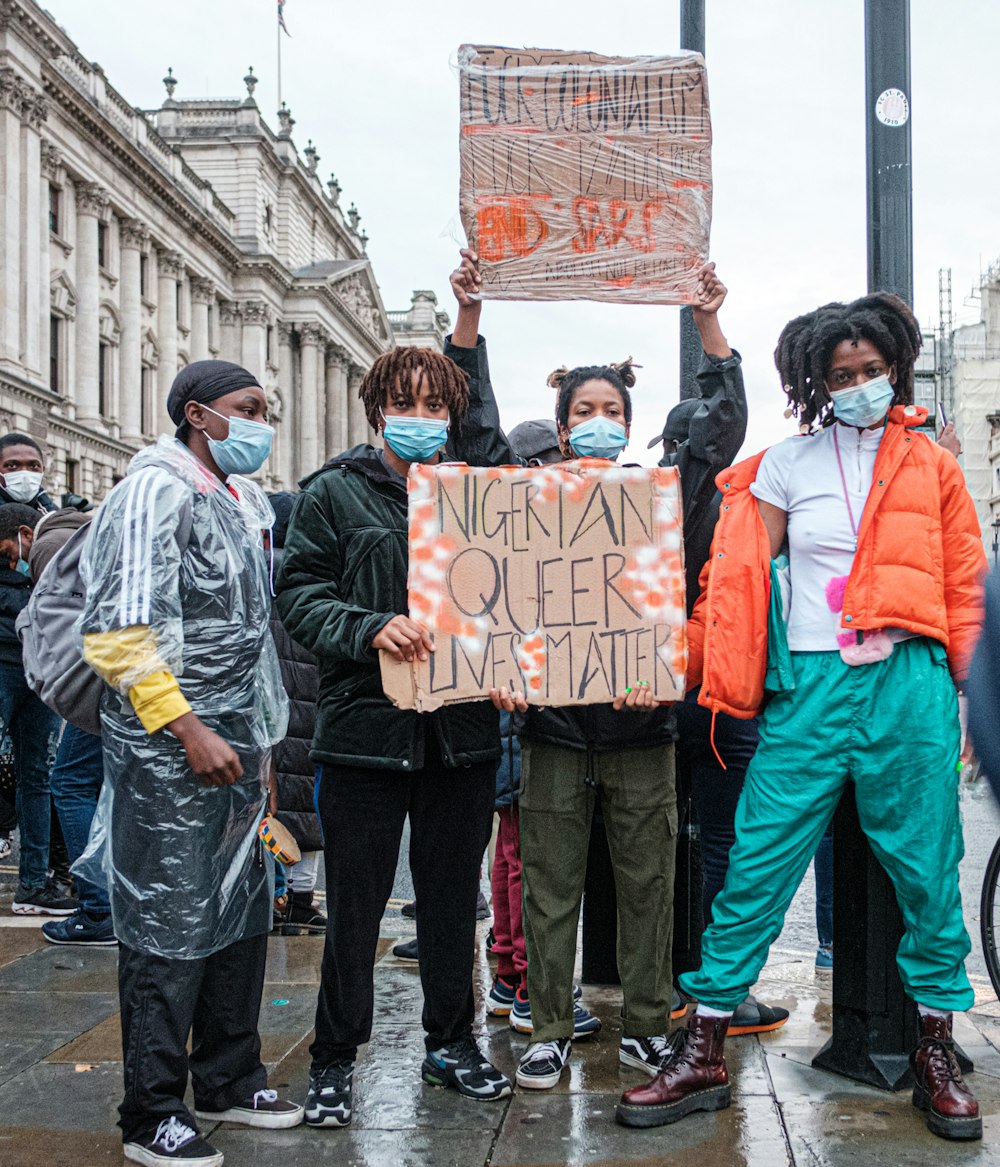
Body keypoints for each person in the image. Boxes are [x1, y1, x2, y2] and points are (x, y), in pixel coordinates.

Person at [616, 293, 985, 1143]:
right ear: (816, 382)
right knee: (755, 866)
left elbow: (967, 588)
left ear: (896, 366)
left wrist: (975, 702)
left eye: (872, 371)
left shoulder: (935, 466)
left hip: (912, 681)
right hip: (810, 690)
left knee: (930, 870)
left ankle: (935, 1045)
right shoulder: (782, 467)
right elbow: (732, 592)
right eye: (841, 375)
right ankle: (704, 1041)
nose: (859, 385)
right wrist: (673, 663)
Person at [445, 250, 692, 1092]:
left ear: (628, 422)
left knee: (649, 885)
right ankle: (547, 1025)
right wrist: (470, 319)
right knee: (548, 885)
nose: (596, 419)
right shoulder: (526, 498)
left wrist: (707, 315)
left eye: (610, 409)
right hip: (551, 724)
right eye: (582, 409)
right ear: (559, 427)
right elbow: (473, 432)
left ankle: (647, 1026)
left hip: (640, 723)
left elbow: (720, 429)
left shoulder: (655, 497)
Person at [275, 344, 513, 1130]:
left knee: (450, 905)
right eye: (404, 403)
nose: (420, 418)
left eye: (435, 406)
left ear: (453, 415)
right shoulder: (333, 494)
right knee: (354, 907)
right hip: (366, 740)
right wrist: (371, 626)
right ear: (378, 409)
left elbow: (520, 597)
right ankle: (334, 1057)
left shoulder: (478, 496)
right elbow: (302, 596)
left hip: (462, 736)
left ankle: (452, 1041)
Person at [76, 359, 303, 1167]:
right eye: (248, 407)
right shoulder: (155, 490)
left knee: (241, 910)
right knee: (168, 919)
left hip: (239, 743)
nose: (259, 420)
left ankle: (229, 1074)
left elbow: (250, 636)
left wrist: (261, 742)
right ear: (198, 415)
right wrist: (188, 728)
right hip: (171, 746)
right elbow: (120, 632)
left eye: (264, 408)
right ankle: (152, 1108)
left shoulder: (237, 501)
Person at [22, 507, 116, 947]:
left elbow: (54, 627)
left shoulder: (47, 547)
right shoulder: (91, 533)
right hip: (126, 678)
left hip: (101, 682)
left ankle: (98, 909)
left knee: (71, 782)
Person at [0, 502, 71, 915]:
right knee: (35, 777)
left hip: (36, 669)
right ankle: (33, 882)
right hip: (14, 666)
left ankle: (33, 884)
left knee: (38, 776)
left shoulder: (46, 549)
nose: (13, 560)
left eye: (12, 550)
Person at [265, 491, 326, 936]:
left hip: (268, 707)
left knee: (268, 805)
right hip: (314, 702)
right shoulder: (315, 573)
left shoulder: (257, 571)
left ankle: (273, 894)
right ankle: (302, 898)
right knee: (309, 802)